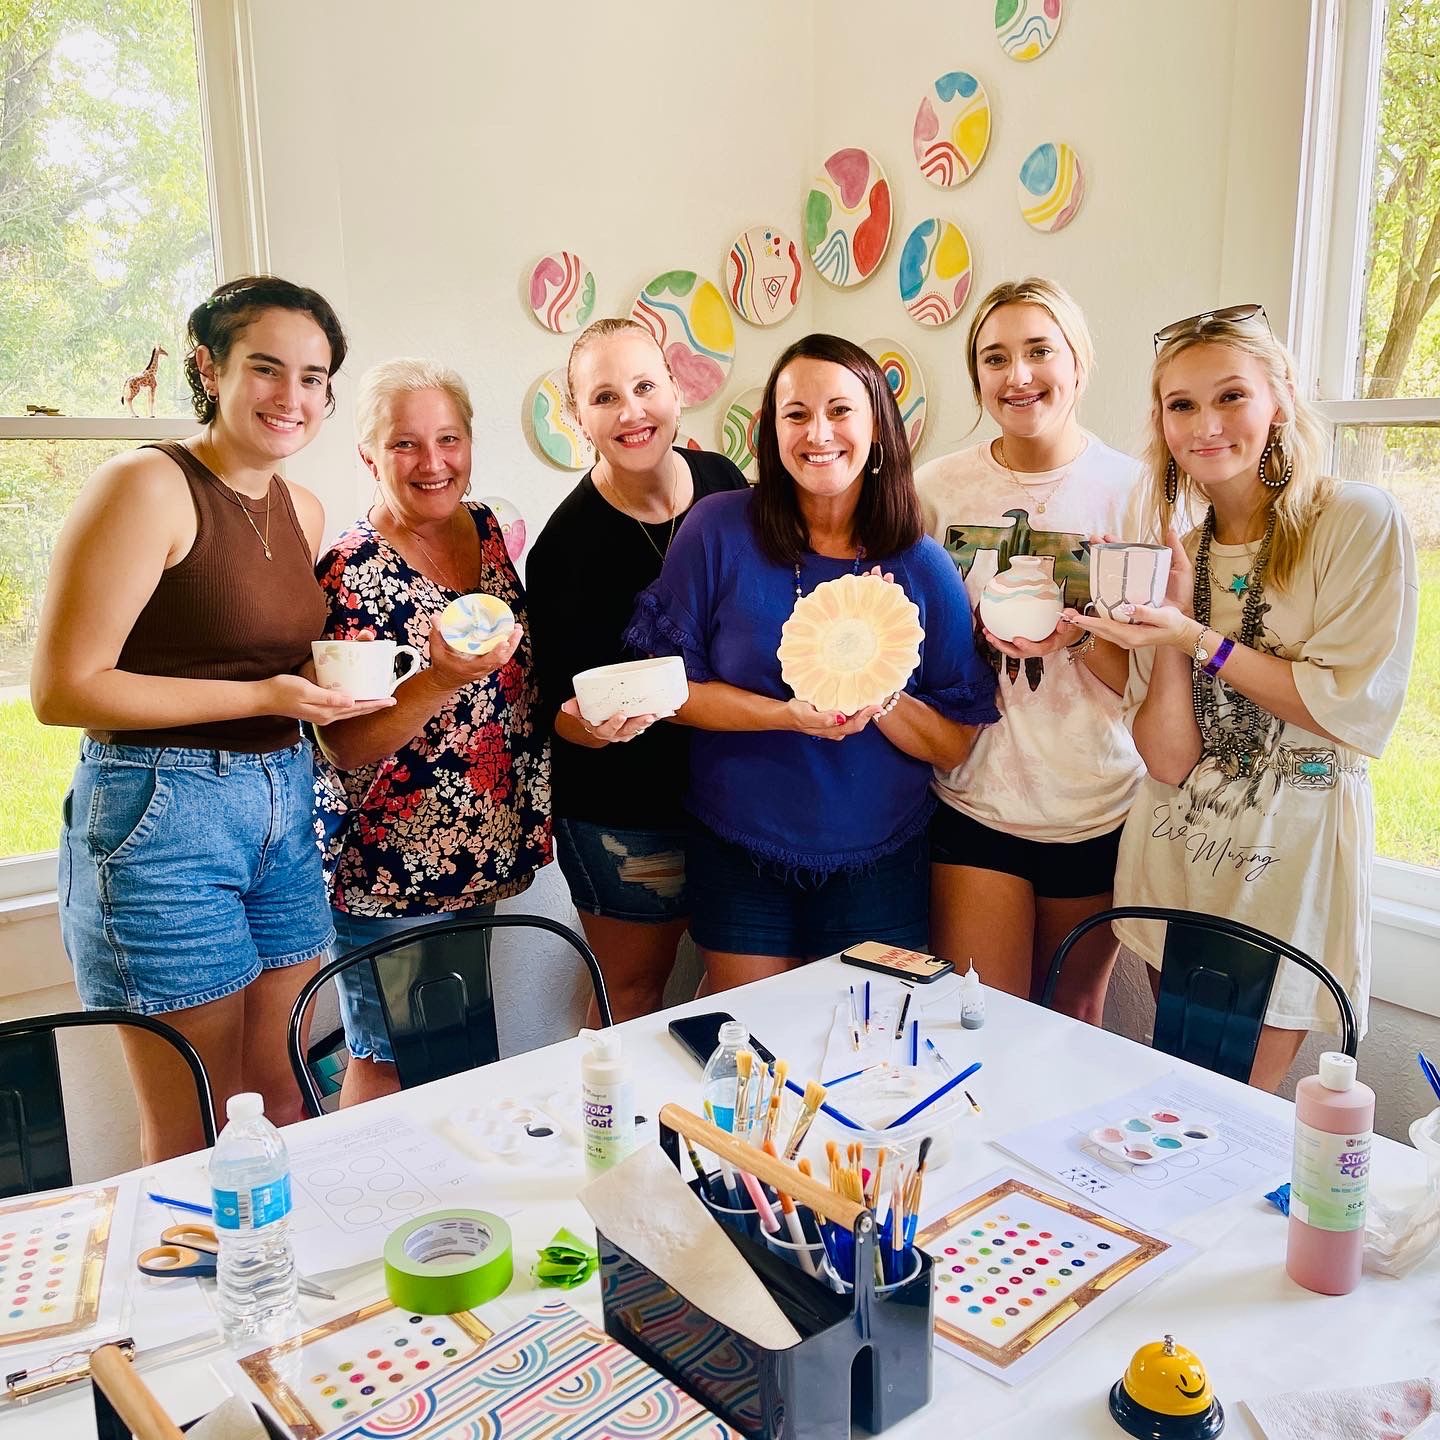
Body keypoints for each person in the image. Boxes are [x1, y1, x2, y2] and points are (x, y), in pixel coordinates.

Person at [32, 275, 386, 1161]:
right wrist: (267, 697)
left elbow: (253, 653)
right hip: (159, 816)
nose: (292, 397)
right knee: (197, 1131)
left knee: (280, 1106)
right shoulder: (146, 486)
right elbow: (66, 689)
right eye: (267, 369)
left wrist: (326, 683)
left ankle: (288, 1297)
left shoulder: (300, 509)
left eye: (313, 378)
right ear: (209, 366)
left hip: (283, 803)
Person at [1066, 305, 1418, 1090]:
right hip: (1179, 852)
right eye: (1181, 405)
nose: (1206, 425)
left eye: (1231, 397)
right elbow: (1166, 757)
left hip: (1288, 855)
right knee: (1174, 1097)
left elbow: (1343, 707)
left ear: (1280, 398)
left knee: (1241, 1118)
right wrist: (1106, 637)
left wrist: (1196, 639)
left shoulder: (1354, 523)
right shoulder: (1179, 555)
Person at [626, 333, 999, 992]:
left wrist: (879, 690)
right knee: (753, 1060)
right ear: (772, 432)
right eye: (796, 413)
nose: (818, 432)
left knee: (862, 1060)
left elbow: (953, 745)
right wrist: (788, 716)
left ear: (878, 426)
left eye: (841, 410)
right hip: (738, 849)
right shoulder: (717, 531)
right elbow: (668, 691)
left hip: (880, 863)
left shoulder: (919, 565)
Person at [313, 358, 550, 1106]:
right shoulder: (351, 570)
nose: (433, 461)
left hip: (475, 850)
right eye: (405, 444)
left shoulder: (485, 532)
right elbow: (344, 746)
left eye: (449, 438)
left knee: (450, 1050)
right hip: (390, 864)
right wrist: (441, 677)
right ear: (368, 455)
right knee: (388, 1060)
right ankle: (370, 1210)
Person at [915, 278, 1144, 1022]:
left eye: (1040, 351)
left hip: (1096, 801)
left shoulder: (1133, 493)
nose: (1018, 376)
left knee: (1074, 1022)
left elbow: (1154, 673)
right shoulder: (937, 492)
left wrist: (1081, 636)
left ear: (1077, 363)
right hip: (977, 797)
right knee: (984, 1021)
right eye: (995, 357)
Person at [526, 319, 747, 1021]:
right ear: (577, 419)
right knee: (633, 997)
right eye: (604, 397)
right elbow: (557, 711)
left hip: (733, 795)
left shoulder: (723, 485)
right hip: (626, 815)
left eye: (646, 386)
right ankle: (608, 1129)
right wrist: (597, 728)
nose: (631, 412)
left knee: (737, 986)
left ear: (677, 392)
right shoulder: (566, 548)